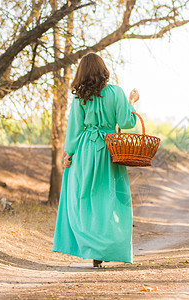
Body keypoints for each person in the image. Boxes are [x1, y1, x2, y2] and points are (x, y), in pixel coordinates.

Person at [52, 53, 139, 267]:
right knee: (109, 201)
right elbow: (126, 122)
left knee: (82, 199)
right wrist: (132, 102)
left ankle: (91, 246)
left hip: (85, 151)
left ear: (82, 72)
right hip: (110, 151)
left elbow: (74, 127)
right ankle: (106, 247)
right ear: (103, 70)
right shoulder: (116, 92)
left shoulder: (81, 97)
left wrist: (68, 154)